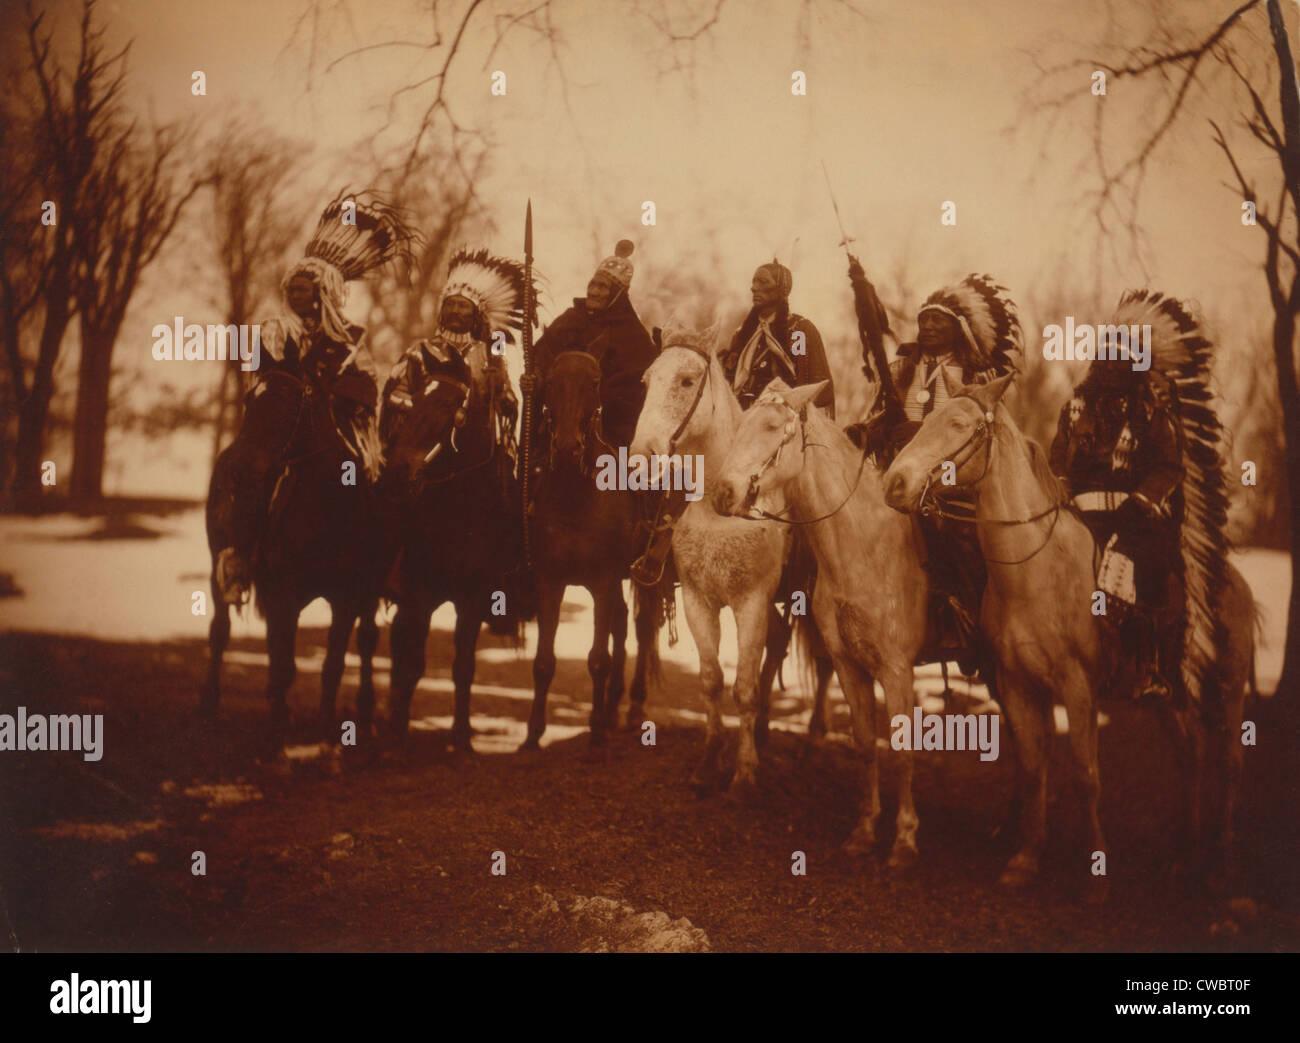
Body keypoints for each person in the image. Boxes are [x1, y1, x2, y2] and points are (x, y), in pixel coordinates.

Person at [214, 192, 415, 605]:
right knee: (253, 471)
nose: (297, 295)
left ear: (323, 293)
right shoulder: (274, 331)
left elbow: (366, 386)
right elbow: (263, 374)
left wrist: (337, 394)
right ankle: (240, 558)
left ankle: (371, 568)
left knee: (359, 475)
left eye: (305, 290)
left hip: (333, 433)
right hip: (278, 431)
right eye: (293, 289)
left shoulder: (351, 341)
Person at [852, 269, 1023, 660]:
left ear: (958, 328)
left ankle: (964, 619)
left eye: (937, 320)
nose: (927, 326)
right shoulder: (899, 370)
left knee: (954, 537)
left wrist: (915, 433)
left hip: (954, 477)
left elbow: (986, 434)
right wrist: (867, 432)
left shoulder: (978, 375)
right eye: (923, 319)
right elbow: (878, 416)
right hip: (898, 473)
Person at [1050, 352, 1185, 699]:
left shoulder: (1151, 414)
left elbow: (1169, 467)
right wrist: (1061, 486)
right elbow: (1057, 458)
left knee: (1135, 572)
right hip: (1080, 513)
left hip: (1136, 517)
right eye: (1104, 359)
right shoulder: (1076, 408)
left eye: (1120, 360)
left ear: (1135, 367)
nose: (1110, 367)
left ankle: (1145, 666)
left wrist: (1141, 500)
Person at [380, 247, 527, 463]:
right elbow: (396, 398)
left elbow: (508, 404)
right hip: (424, 453)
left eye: (463, 306)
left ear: (477, 315)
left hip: (476, 453)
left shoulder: (490, 355)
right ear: (442, 311)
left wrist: (502, 394)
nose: (456, 310)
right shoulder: (420, 351)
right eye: (450, 304)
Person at [518, 240, 656, 450]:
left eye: (602, 287)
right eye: (593, 284)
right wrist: (534, 380)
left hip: (608, 429)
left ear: (618, 294)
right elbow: (543, 358)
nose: (594, 291)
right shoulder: (569, 319)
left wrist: (593, 397)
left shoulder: (633, 335)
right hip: (557, 420)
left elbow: (636, 388)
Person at [720, 258, 835, 416]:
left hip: (780, 422)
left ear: (781, 289)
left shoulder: (797, 331)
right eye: (754, 282)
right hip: (741, 418)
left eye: (763, 282)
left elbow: (808, 380)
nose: (753, 288)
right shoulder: (743, 335)